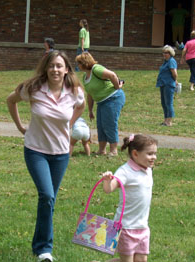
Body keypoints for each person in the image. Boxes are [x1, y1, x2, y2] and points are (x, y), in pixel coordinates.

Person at [6, 50, 85, 262]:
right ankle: (44, 250)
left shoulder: (74, 91)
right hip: (35, 151)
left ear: (67, 69)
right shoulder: (33, 89)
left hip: (60, 153)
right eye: (51, 66)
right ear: (46, 68)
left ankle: (38, 245)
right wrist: (20, 126)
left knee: (49, 200)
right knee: (47, 196)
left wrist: (70, 124)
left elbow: (81, 106)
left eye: (59, 66)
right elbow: (10, 100)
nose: (55, 70)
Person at [102, 134, 158, 262]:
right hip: (126, 227)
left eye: (155, 153)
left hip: (142, 226)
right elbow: (108, 189)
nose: (154, 157)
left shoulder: (148, 169)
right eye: (150, 154)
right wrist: (107, 180)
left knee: (141, 260)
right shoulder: (125, 171)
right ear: (135, 154)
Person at [75, 52, 125, 156]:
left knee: (110, 124)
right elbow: (90, 94)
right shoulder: (85, 77)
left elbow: (112, 75)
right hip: (101, 102)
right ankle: (101, 150)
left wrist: (117, 86)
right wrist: (90, 110)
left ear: (84, 63)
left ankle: (113, 150)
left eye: (79, 63)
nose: (77, 65)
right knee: (101, 125)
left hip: (113, 98)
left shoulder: (96, 69)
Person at [156, 45, 178, 127]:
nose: (164, 54)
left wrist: (174, 80)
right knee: (164, 103)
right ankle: (165, 120)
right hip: (162, 84)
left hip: (168, 84)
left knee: (169, 103)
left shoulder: (171, 61)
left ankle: (169, 121)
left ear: (170, 53)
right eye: (163, 53)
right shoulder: (165, 62)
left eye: (166, 53)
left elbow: (174, 73)